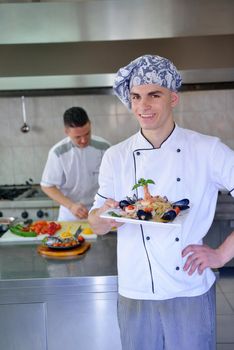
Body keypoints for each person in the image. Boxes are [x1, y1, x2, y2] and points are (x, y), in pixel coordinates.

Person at [88, 54, 234, 350]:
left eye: (154, 95)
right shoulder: (115, 156)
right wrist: (102, 220)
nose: (143, 106)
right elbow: (96, 221)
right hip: (135, 289)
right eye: (136, 97)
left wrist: (221, 255)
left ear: (173, 98)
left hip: (188, 287)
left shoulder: (207, 150)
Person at [41, 106, 110, 221]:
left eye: (87, 134)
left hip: (100, 210)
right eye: (77, 137)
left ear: (90, 124)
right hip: (71, 213)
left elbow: (115, 180)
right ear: (66, 131)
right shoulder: (58, 153)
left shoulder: (105, 148)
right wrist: (71, 206)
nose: (83, 140)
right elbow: (47, 186)